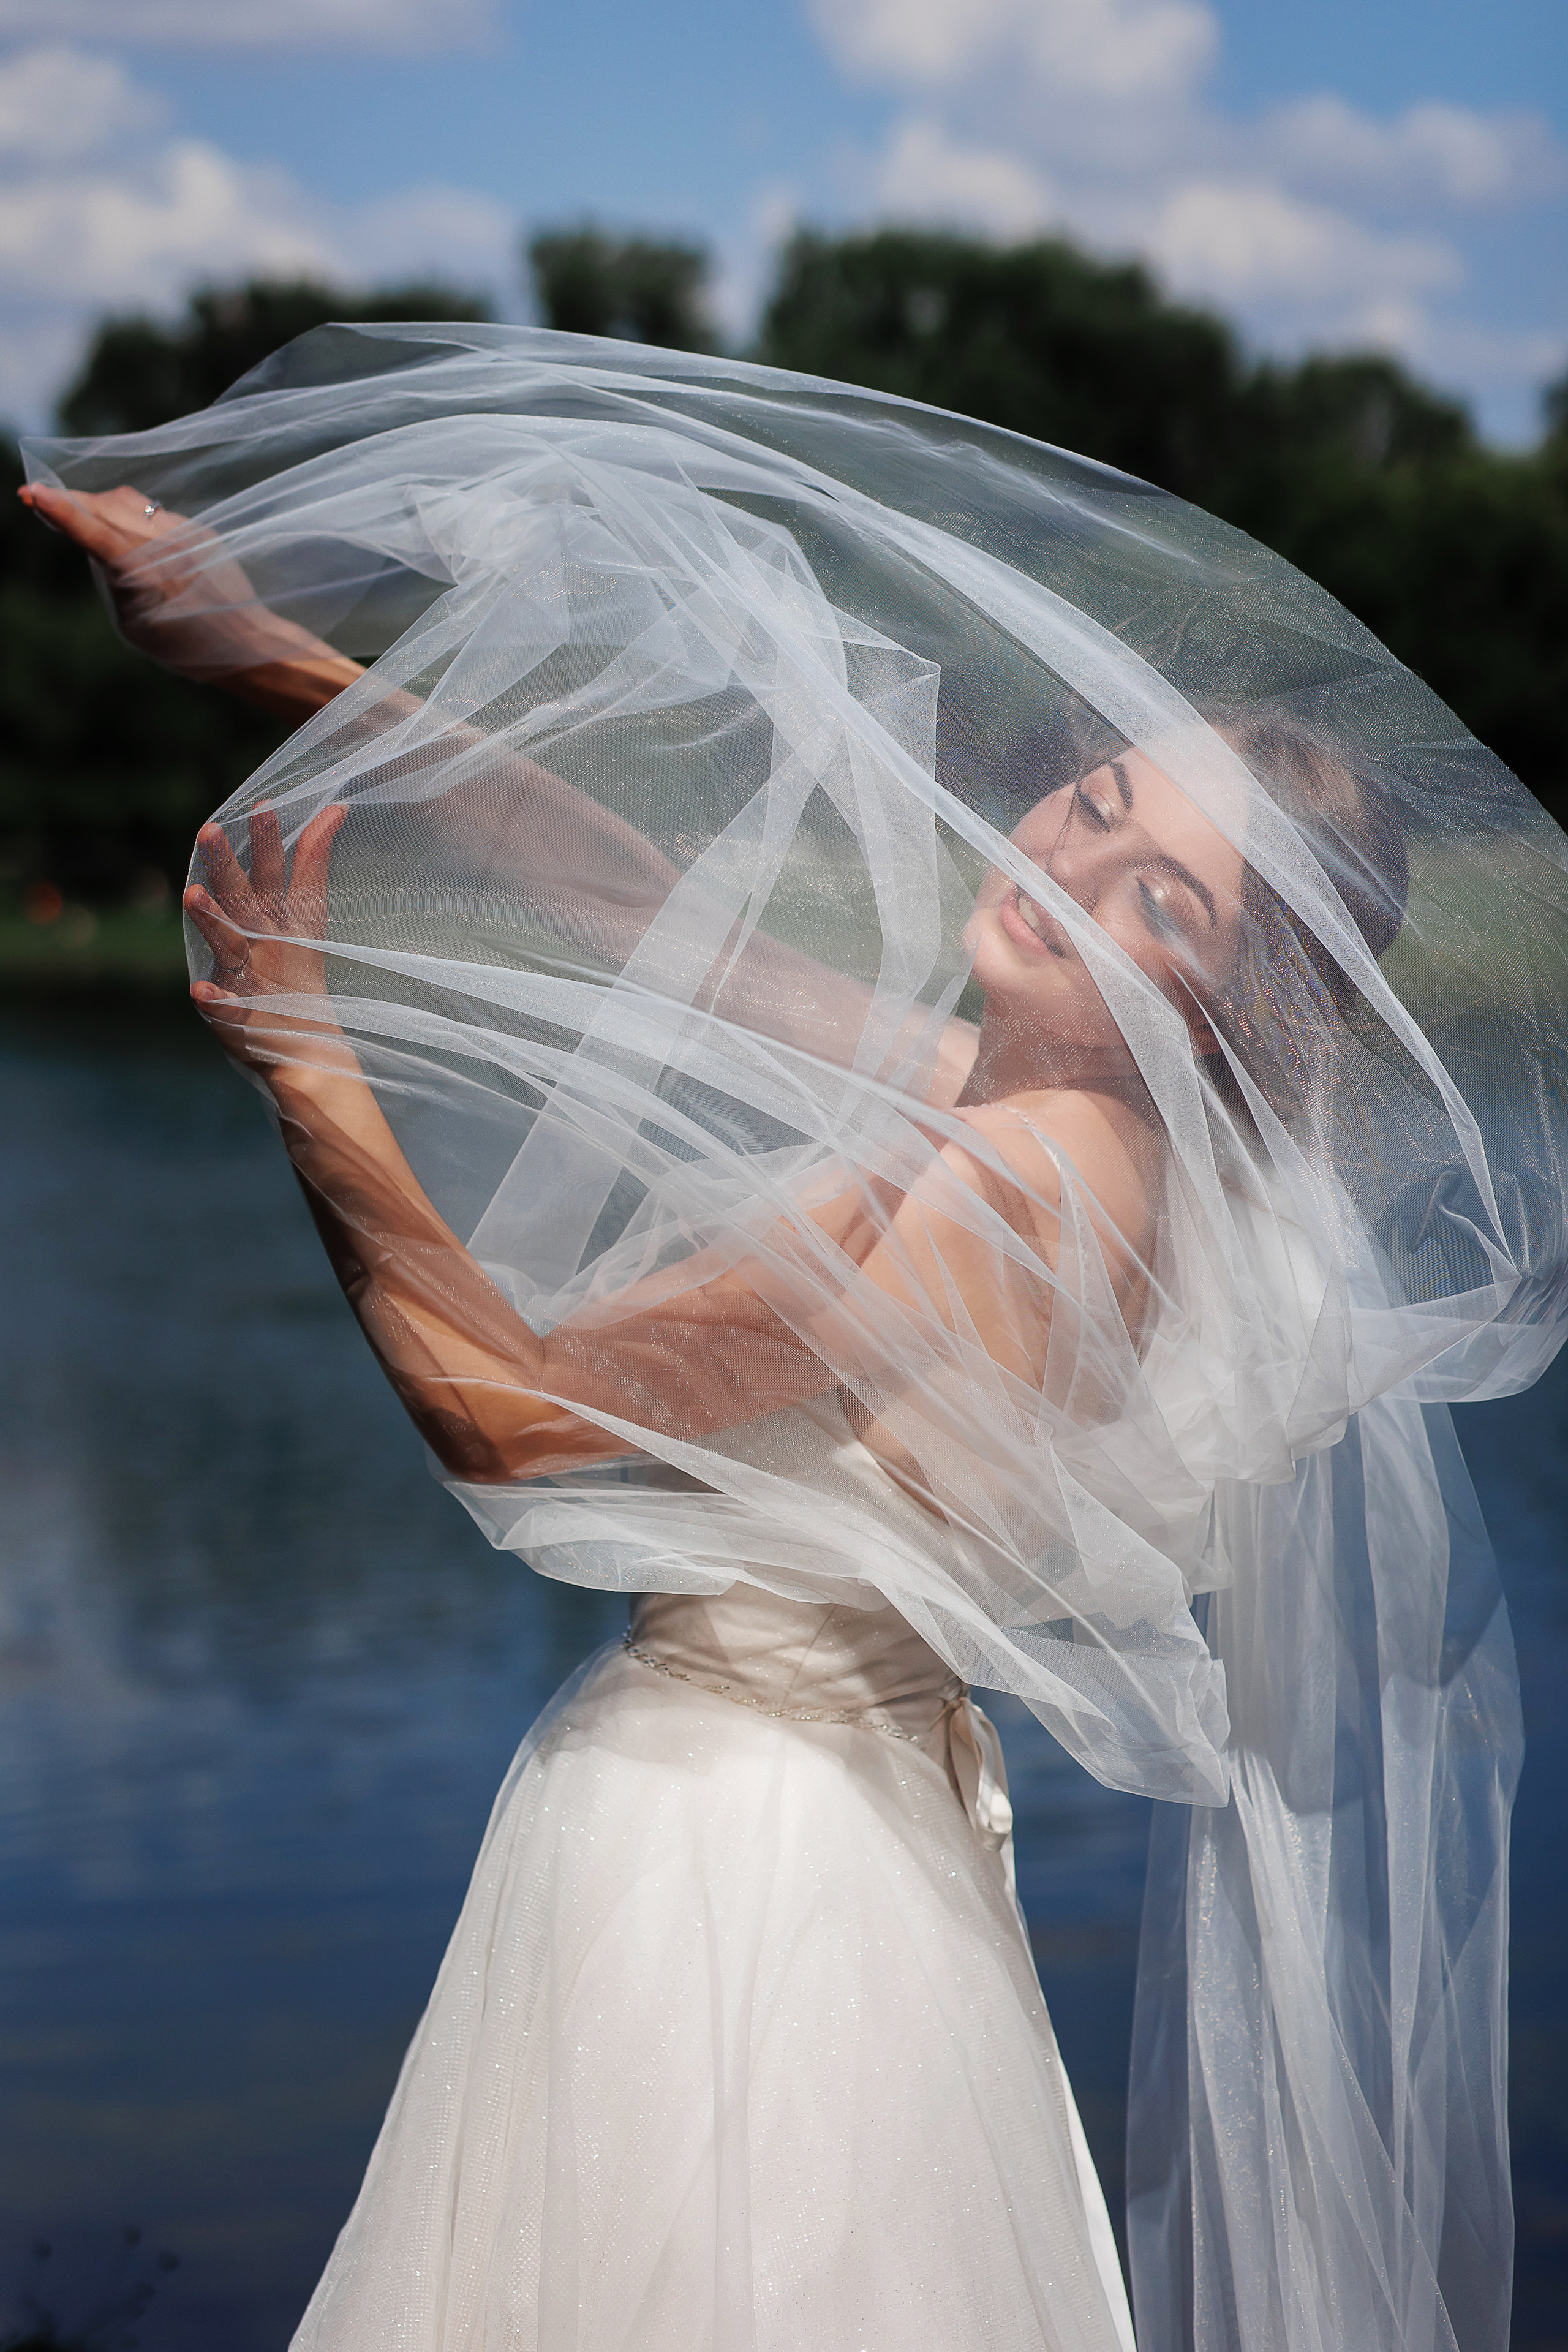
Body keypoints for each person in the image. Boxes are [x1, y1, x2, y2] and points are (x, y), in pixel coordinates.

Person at [21, 325, 1566, 2352]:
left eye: (1162, 907)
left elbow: (506, 1417)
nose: (1071, 873)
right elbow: (643, 896)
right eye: (1097, 801)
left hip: (735, 1880)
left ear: (1215, 1008)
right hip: (850, 1857)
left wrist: (307, 1052)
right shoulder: (1053, 1116)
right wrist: (264, 655)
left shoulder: (1007, 1186)